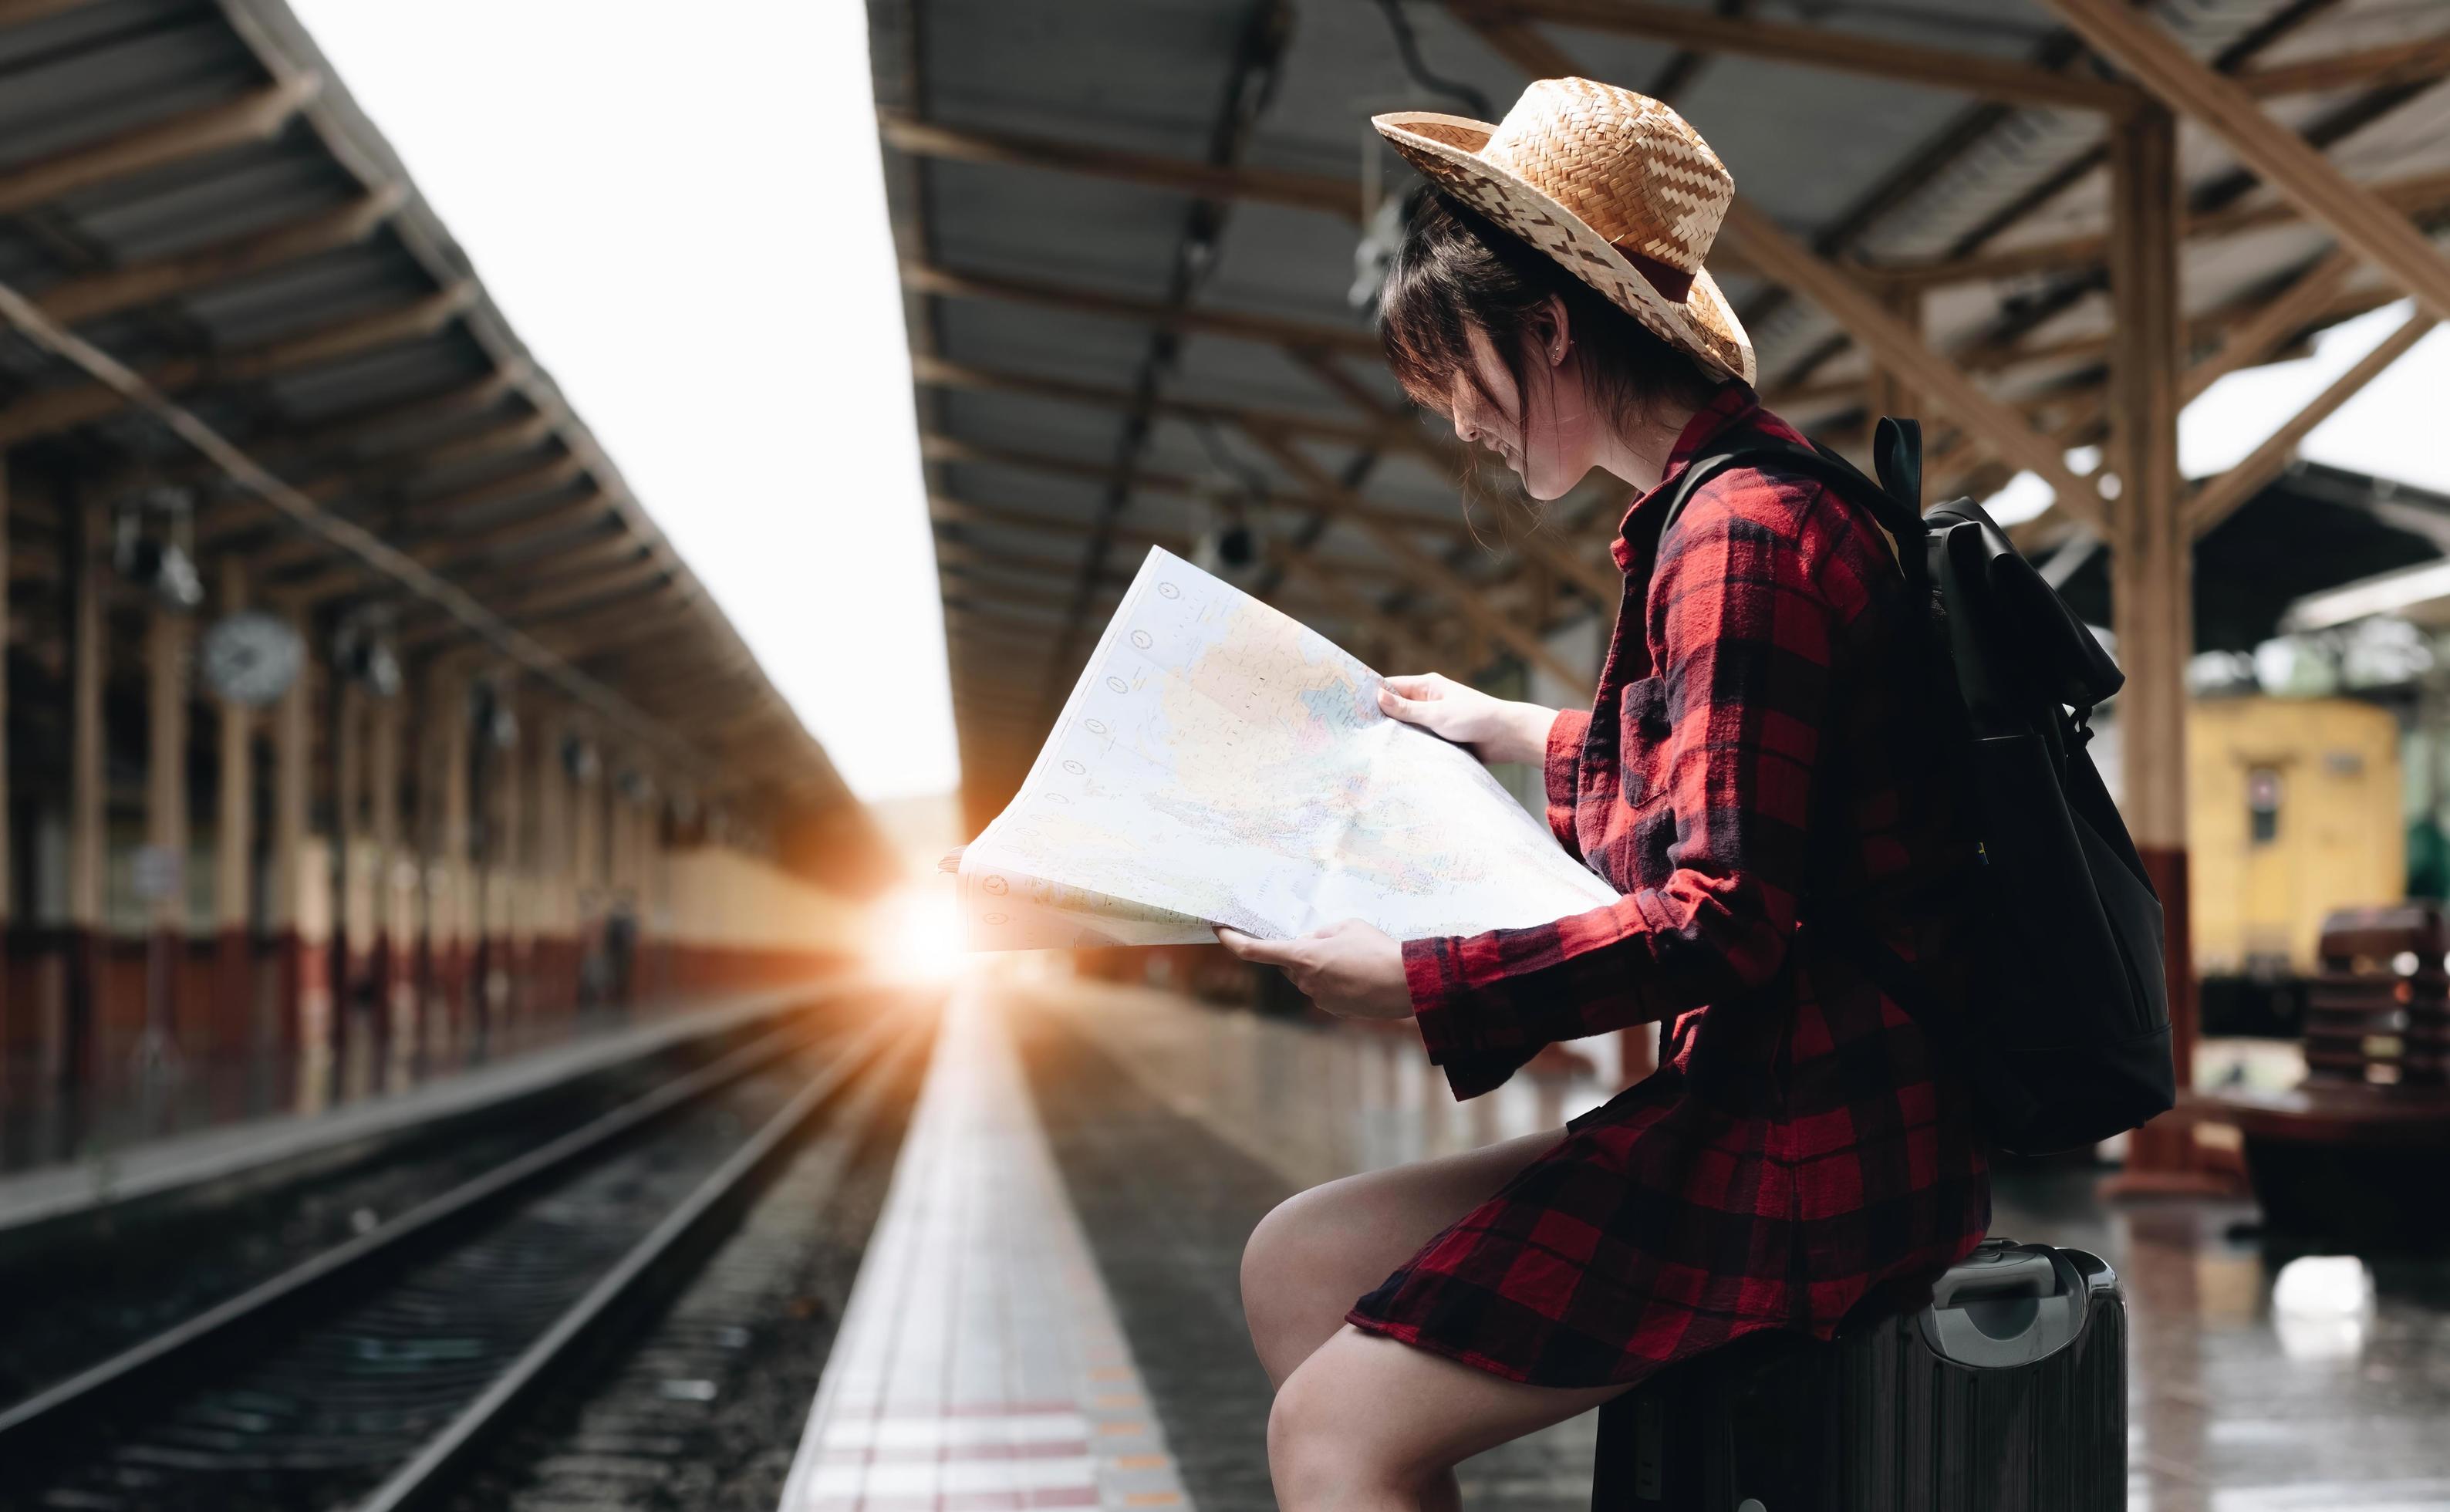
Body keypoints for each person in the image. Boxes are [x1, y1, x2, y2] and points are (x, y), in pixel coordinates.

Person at [1215, 77, 1990, 1511]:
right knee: (1297, 1262)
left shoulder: (1737, 537)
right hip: (1776, 1107)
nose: (1465, 427)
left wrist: (1423, 981)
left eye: (1458, 376)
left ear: (1551, 329)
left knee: (1333, 1436)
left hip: (1812, 1157)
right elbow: (1733, 784)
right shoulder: (1740, 503)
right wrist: (1506, 724)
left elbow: (1722, 923)